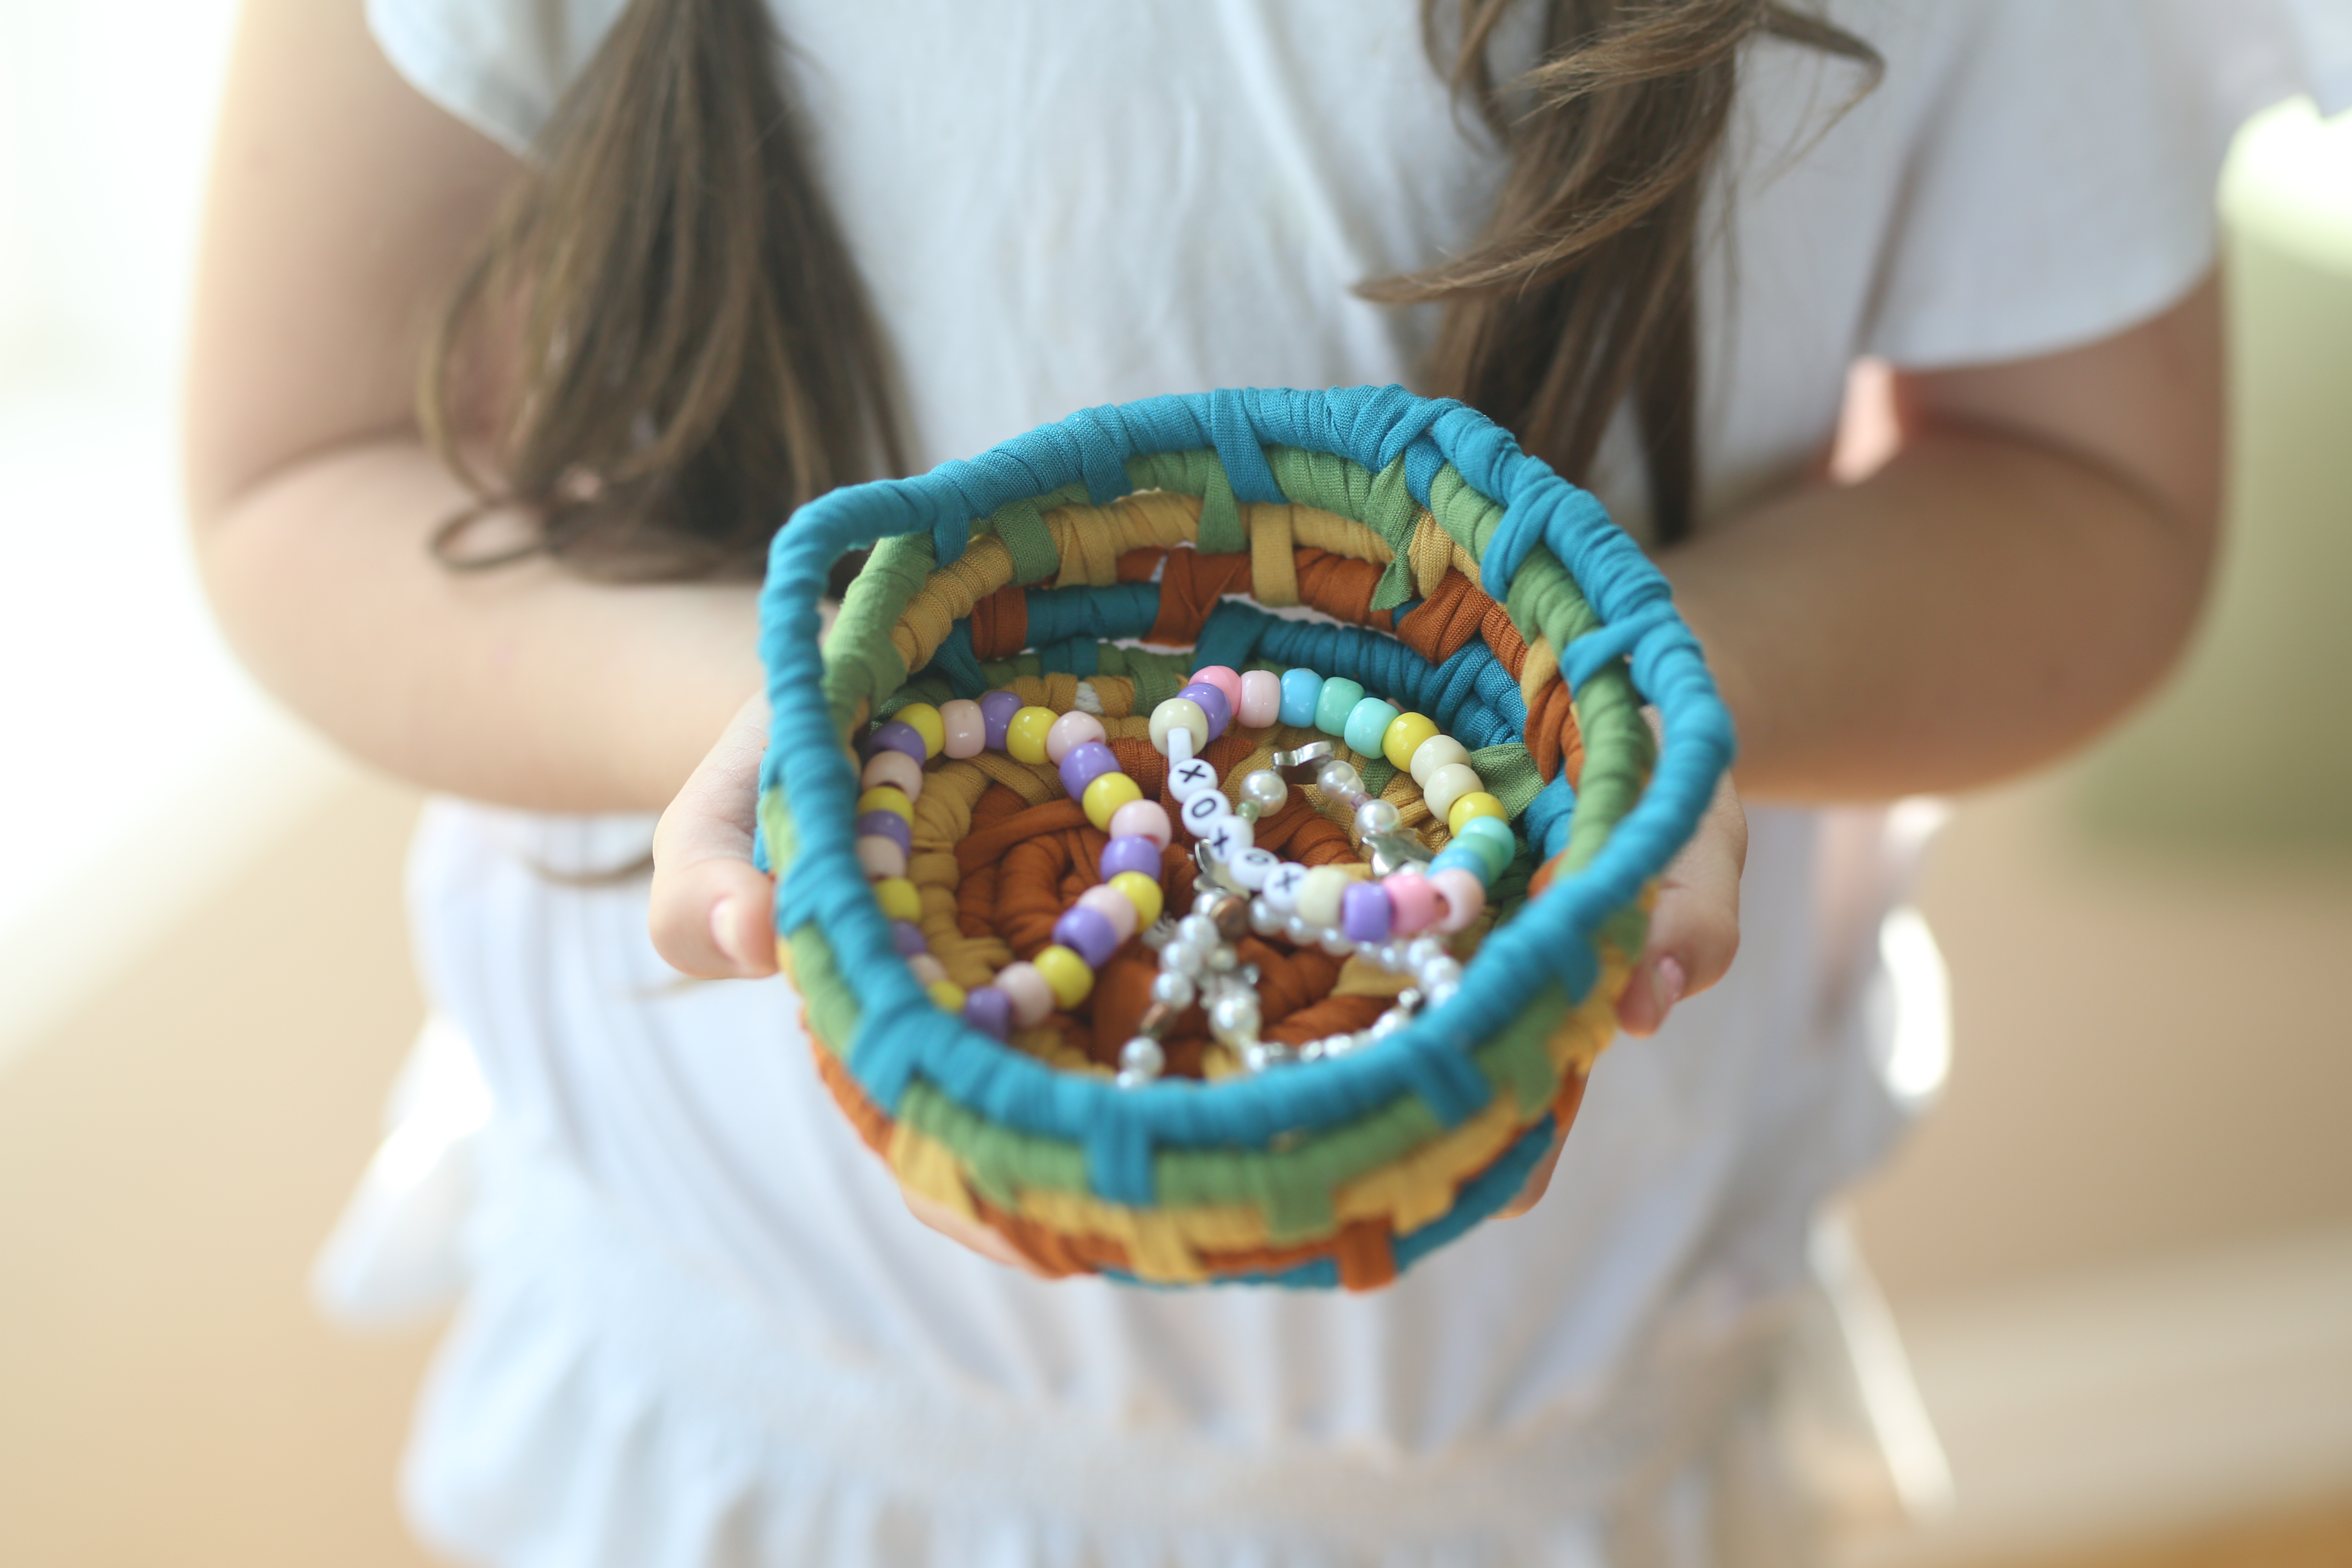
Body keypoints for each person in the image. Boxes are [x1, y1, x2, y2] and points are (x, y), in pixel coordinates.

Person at [185, 1, 2343, 1564]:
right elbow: (301, 469)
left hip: (1545, 1460)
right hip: (739, 1431)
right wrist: (770, 713)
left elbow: (2089, 498)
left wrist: (1663, 693)